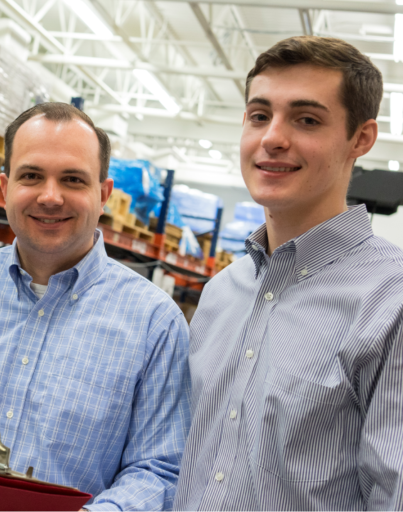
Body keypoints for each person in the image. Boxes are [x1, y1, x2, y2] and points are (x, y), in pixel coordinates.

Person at [0, 102, 191, 512]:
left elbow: (160, 469)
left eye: (72, 179)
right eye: (32, 176)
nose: (50, 197)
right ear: (4, 188)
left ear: (102, 195)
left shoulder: (155, 324)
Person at [173, 36, 403, 512]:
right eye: (259, 116)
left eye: (307, 120)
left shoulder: (390, 301)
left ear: (361, 138)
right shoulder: (220, 295)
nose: (272, 138)